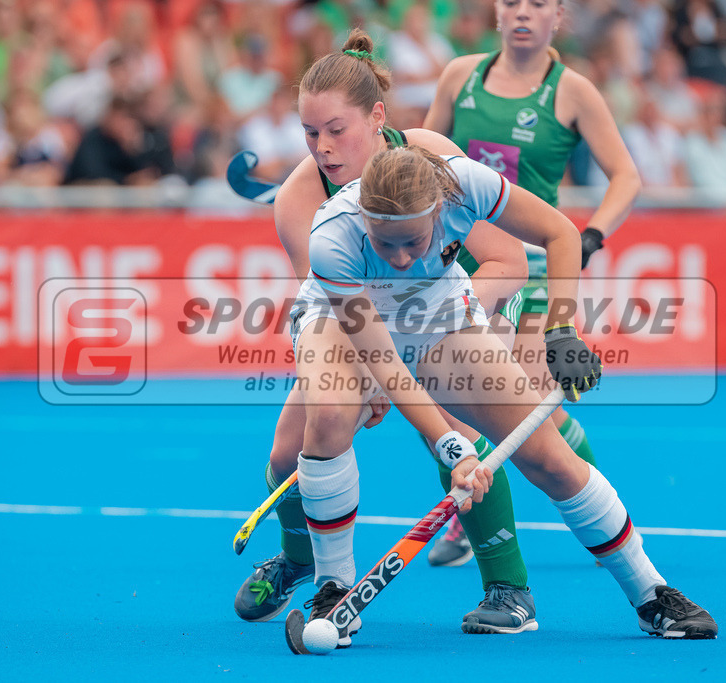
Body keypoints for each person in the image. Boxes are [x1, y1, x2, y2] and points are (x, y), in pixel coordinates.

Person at [292, 143, 717, 645]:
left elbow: (559, 232)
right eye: (387, 246)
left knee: (550, 459)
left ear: (439, 212)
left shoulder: (465, 185)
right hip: (338, 321)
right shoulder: (332, 237)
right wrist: (454, 448)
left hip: (439, 314)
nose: (402, 258)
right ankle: (335, 588)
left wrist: (561, 332)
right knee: (328, 414)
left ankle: (651, 594)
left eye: (414, 242)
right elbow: (386, 363)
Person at [234, 29, 546, 636]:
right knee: (289, 451)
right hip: (360, 333)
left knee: (459, 433)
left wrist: (431, 337)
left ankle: (509, 589)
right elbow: (329, 315)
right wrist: (373, 374)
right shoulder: (298, 200)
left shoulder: (424, 153)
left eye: (336, 130)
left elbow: (508, 262)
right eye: (309, 133)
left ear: (377, 118)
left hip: (448, 313)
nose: (322, 147)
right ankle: (303, 562)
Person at [422, 0, 641, 564]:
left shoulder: (573, 91)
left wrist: (591, 234)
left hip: (536, 267)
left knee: (521, 403)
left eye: (537, 4)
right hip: (460, 264)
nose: (522, 13)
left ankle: (591, 504)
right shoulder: (459, 76)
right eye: (511, 3)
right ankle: (495, 514)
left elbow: (626, 176)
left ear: (557, 16)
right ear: (496, 14)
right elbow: (414, 162)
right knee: (470, 405)